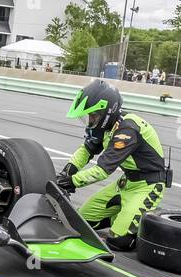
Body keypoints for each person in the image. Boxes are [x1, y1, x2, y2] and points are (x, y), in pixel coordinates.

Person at [54, 80, 168, 251]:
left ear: (107, 111)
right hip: (125, 183)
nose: (90, 121)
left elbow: (101, 171)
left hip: (148, 186)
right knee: (78, 221)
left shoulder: (127, 129)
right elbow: (86, 149)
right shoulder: (107, 125)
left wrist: (71, 182)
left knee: (118, 241)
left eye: (93, 115)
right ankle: (121, 214)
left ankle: (140, 217)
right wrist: (67, 172)